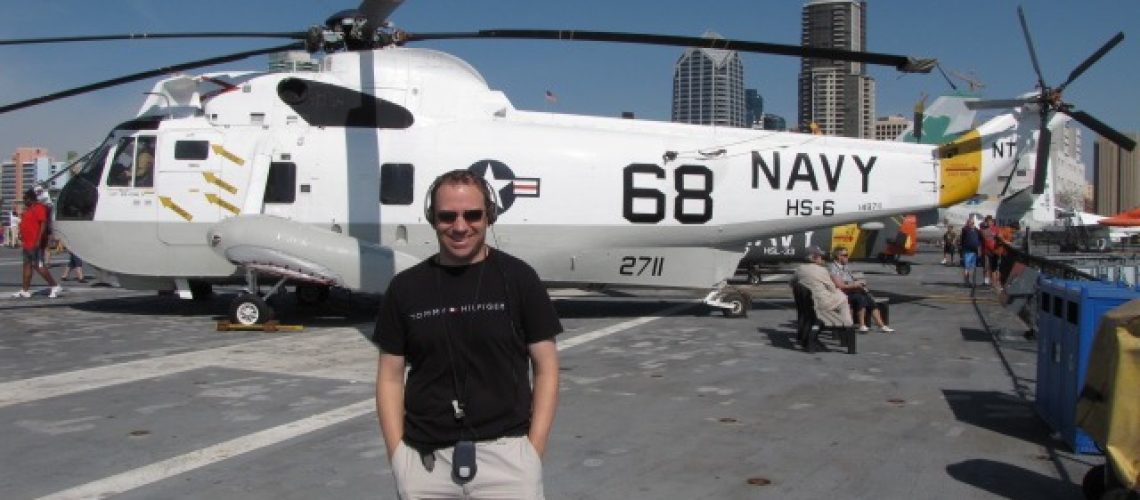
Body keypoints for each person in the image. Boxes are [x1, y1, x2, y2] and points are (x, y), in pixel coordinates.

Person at [373, 169, 562, 499]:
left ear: (488, 215)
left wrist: (533, 450)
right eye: (448, 216)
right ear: (433, 219)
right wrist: (399, 457)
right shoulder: (405, 288)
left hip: (507, 461)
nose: (460, 227)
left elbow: (546, 367)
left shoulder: (519, 279)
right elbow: (389, 377)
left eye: (472, 215)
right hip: (425, 464)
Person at [829, 246, 894, 332]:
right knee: (860, 298)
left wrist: (860, 283)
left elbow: (851, 280)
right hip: (841, 293)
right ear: (838, 256)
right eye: (845, 255)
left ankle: (881, 325)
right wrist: (855, 285)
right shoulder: (833, 268)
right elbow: (840, 285)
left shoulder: (845, 267)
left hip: (850, 291)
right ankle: (862, 324)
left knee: (868, 298)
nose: (847, 257)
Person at [13, 189, 63, 298]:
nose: (24, 201)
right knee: (27, 266)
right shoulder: (28, 210)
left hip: (35, 243)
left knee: (38, 265)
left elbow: (43, 224)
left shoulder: (39, 208)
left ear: (31, 199)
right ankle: (24, 290)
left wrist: (39, 240)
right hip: (27, 243)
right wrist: (21, 234)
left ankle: (54, 286)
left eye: (25, 199)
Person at [793, 246, 853, 328]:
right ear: (814, 258)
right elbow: (832, 288)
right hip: (820, 304)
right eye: (820, 256)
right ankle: (847, 326)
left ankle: (844, 325)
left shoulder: (799, 269)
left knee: (839, 297)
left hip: (805, 303)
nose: (822, 258)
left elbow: (792, 283)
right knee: (843, 298)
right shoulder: (822, 270)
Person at [958, 217, 982, 287]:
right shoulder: (965, 230)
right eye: (969, 222)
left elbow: (979, 241)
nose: (971, 224)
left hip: (974, 251)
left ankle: (972, 281)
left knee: (973, 267)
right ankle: (966, 281)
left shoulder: (977, 230)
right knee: (967, 267)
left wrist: (979, 250)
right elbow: (962, 238)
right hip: (967, 251)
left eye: (972, 223)